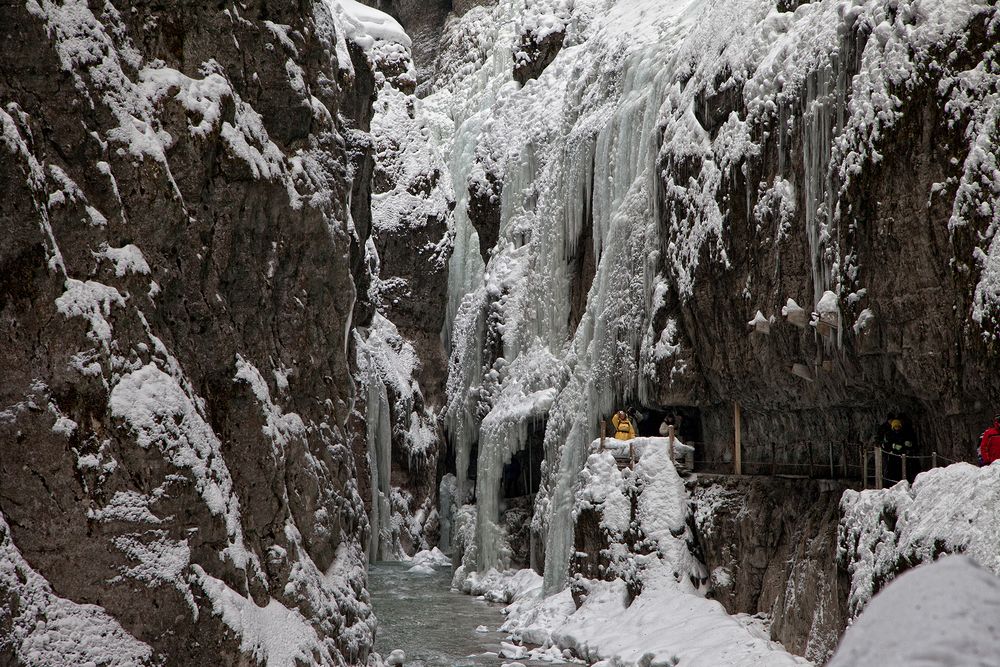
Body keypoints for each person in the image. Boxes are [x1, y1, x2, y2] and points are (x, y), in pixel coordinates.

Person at [876, 414, 916, 483]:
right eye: (895, 426)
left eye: (898, 426)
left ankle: (904, 482)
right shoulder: (889, 434)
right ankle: (891, 483)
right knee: (892, 471)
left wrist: (908, 444)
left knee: (903, 470)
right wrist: (893, 446)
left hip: (902, 456)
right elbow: (885, 444)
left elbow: (909, 443)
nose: (897, 428)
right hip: (892, 456)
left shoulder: (904, 434)